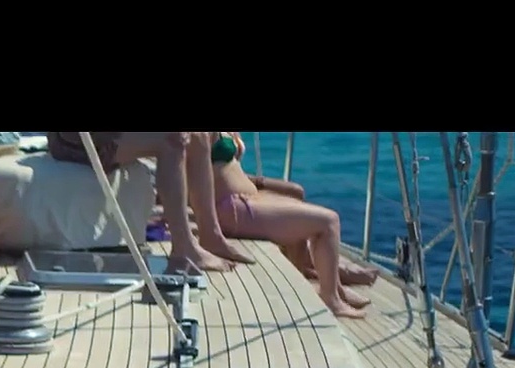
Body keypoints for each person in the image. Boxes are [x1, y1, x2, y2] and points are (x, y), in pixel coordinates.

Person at [206, 131, 369, 318]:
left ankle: (333, 288)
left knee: (298, 203)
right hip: (231, 208)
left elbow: (227, 167)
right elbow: (190, 177)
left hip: (244, 199)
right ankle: (331, 299)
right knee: (329, 221)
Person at [46, 132, 256, 275]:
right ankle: (184, 247)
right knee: (172, 139)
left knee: (199, 135)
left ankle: (211, 236)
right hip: (76, 141)